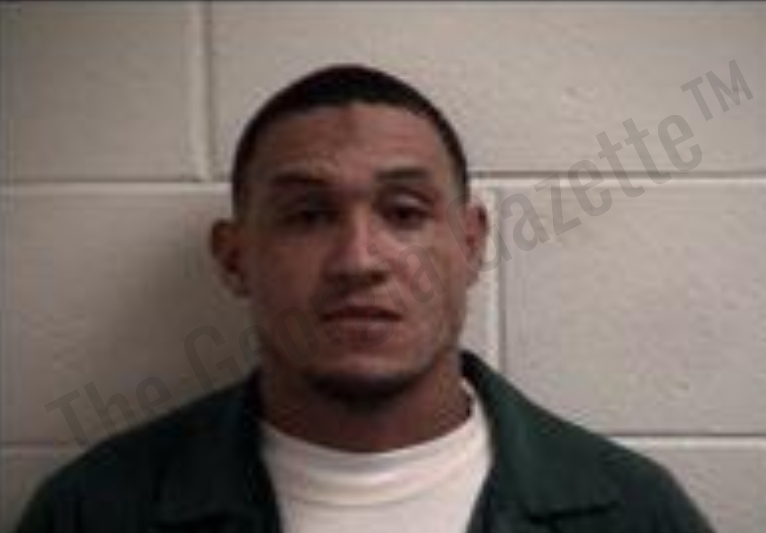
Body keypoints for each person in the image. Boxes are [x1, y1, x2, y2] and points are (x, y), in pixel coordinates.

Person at [15, 64, 716, 533]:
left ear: (471, 243)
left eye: (405, 213)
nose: (358, 261)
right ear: (234, 257)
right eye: (307, 216)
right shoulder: (94, 511)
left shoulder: (634, 511)